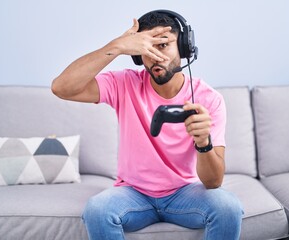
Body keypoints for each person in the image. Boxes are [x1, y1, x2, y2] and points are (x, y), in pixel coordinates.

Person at [52, 9, 243, 240]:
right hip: (133, 194)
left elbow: (213, 182)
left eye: (163, 45)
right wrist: (118, 46)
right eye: (146, 49)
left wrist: (204, 143)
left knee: (228, 207)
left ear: (183, 47)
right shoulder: (124, 84)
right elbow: (61, 88)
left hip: (185, 193)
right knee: (97, 210)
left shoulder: (209, 99)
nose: (155, 57)